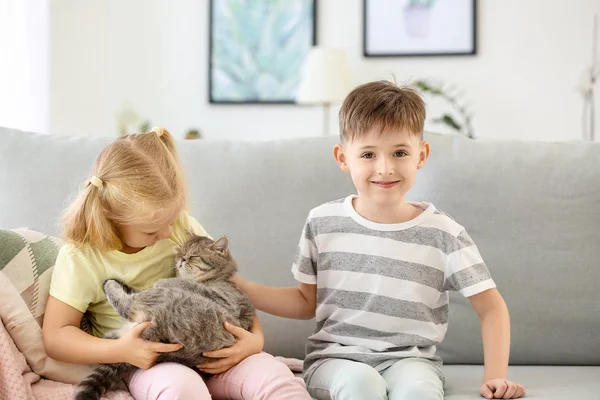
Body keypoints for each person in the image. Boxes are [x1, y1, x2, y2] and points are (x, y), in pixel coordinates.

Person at [232, 81, 527, 400]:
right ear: (343, 158)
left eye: (400, 152)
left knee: (418, 392)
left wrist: (494, 377)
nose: (385, 169)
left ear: (421, 155)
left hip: (412, 361)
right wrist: (244, 288)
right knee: (361, 386)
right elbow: (306, 303)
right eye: (368, 154)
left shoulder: (444, 233)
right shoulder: (322, 223)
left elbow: (492, 309)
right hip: (336, 360)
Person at [42, 128, 310, 400]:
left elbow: (227, 288)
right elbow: (56, 336)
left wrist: (254, 341)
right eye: (152, 230)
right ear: (112, 216)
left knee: (275, 378)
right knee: (182, 389)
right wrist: (121, 351)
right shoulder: (82, 257)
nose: (168, 234)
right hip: (154, 361)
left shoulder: (182, 227)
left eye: (171, 221)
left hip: (215, 352)